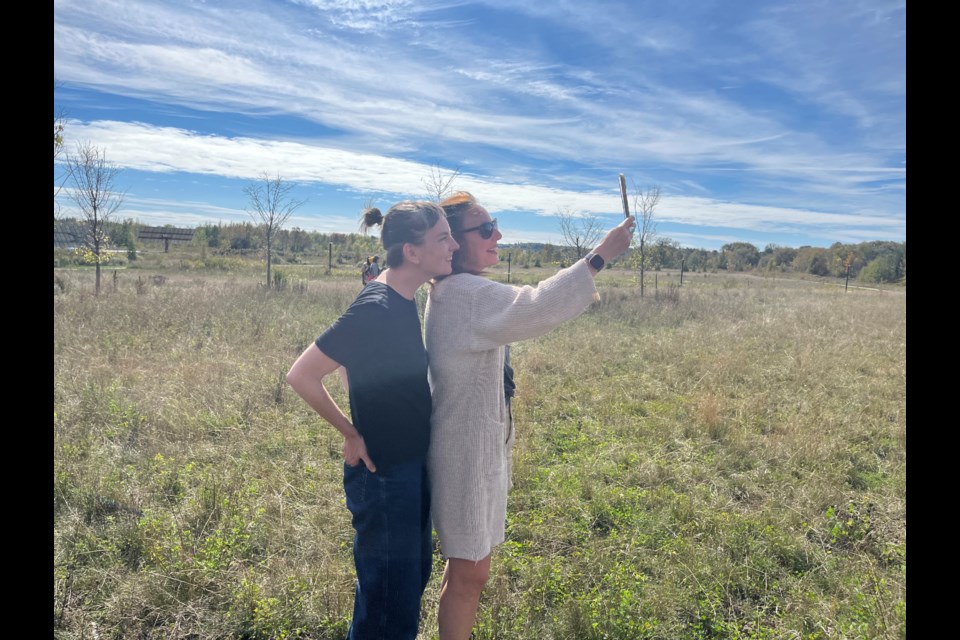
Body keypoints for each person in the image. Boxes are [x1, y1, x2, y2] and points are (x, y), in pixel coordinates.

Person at [424, 191, 635, 640]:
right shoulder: (463, 293)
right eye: (484, 229)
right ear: (453, 243)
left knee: (467, 570)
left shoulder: (462, 290)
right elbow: (536, 305)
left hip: (473, 447)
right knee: (468, 574)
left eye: (494, 223)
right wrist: (600, 256)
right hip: (464, 453)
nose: (496, 234)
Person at [287, 201, 459, 640]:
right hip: (384, 477)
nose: (454, 245)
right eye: (443, 237)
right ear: (412, 251)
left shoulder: (403, 296)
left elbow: (354, 364)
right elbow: (302, 375)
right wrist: (350, 431)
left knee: (404, 589)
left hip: (407, 469)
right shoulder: (378, 306)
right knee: (388, 608)